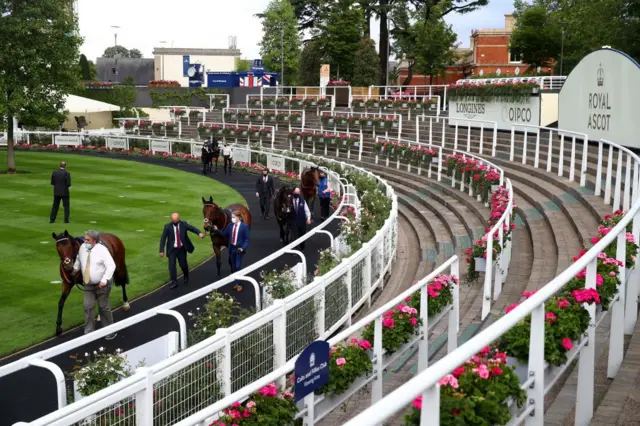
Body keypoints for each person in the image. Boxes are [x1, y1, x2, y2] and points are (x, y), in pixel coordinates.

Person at [72, 230, 117, 339]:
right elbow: (79, 259)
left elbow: (111, 266)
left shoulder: (102, 250)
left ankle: (109, 331)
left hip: (102, 284)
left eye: (88, 240)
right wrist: (75, 269)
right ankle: (89, 332)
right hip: (88, 284)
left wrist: (104, 280)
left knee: (103, 307)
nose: (85, 241)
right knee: (87, 306)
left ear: (94, 241)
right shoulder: (82, 248)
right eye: (84, 239)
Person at [159, 213, 205, 289]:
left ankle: (186, 275)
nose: (175, 222)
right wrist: (161, 250)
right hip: (172, 250)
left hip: (181, 249)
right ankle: (174, 282)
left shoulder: (184, 224)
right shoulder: (167, 227)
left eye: (176, 221)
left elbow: (192, 228)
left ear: (178, 219)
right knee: (171, 266)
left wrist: (199, 233)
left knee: (183, 265)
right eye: (173, 221)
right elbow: (163, 238)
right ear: (171, 220)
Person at [213, 210, 249, 291]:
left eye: (233, 217)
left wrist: (243, 248)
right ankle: (237, 282)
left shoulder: (244, 226)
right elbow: (224, 234)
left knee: (238, 266)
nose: (232, 219)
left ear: (239, 217)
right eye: (232, 217)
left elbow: (246, 240)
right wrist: (216, 230)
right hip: (232, 249)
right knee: (233, 267)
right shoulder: (230, 226)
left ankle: (239, 284)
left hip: (239, 249)